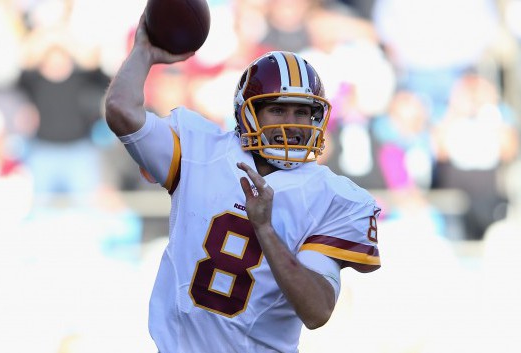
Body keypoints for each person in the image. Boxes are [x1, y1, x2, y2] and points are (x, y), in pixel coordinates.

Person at [104, 12, 381, 353]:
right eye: (278, 110)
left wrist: (265, 229)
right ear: (247, 114)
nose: (292, 124)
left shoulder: (332, 196)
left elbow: (318, 310)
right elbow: (121, 111)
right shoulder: (200, 150)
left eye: (302, 112)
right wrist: (143, 52)